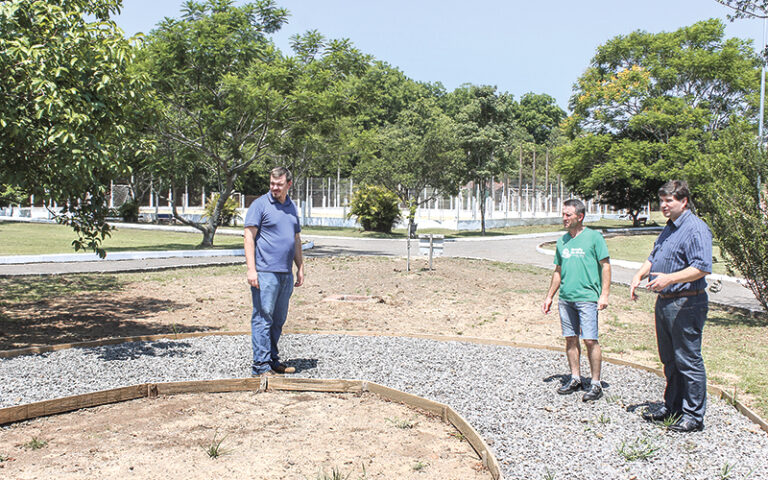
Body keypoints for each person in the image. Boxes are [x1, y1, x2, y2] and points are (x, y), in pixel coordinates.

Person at [630, 180, 712, 433]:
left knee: (688, 359)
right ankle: (673, 406)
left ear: (683, 201)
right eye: (662, 201)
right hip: (665, 302)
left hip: (687, 302)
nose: (664, 205)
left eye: (669, 201)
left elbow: (701, 266)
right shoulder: (669, 228)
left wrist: (669, 279)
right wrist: (640, 274)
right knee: (669, 359)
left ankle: (693, 416)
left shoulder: (696, 229)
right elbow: (654, 256)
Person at [542, 199, 611, 402]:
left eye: (568, 215)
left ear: (579, 217)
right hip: (566, 298)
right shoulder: (562, 241)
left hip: (587, 298)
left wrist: (604, 294)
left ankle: (596, 383)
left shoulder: (594, 238)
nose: (564, 218)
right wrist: (549, 296)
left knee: (590, 339)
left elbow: (605, 266)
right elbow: (558, 271)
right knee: (570, 338)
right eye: (563, 214)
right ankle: (575, 378)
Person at [244, 166, 305, 377]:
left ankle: (272, 360)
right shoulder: (259, 205)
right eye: (272, 183)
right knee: (262, 318)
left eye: (279, 184)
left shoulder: (291, 207)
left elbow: (296, 239)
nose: (274, 188)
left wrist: (300, 268)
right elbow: (248, 237)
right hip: (265, 273)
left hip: (285, 274)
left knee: (278, 320)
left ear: (289, 184)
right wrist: (252, 270)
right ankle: (260, 366)